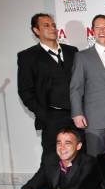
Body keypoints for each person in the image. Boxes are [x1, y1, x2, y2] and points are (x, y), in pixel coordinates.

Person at [17, 13, 80, 157]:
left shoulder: (72, 51)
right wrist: (44, 115)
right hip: (52, 118)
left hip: (77, 116)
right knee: (51, 161)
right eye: (46, 25)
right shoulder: (28, 56)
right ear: (36, 30)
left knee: (81, 159)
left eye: (53, 25)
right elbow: (25, 91)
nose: (52, 28)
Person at [70, 14, 105, 156]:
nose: (101, 31)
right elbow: (76, 87)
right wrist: (77, 113)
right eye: (97, 27)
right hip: (94, 119)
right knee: (95, 161)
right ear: (92, 31)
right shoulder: (82, 57)